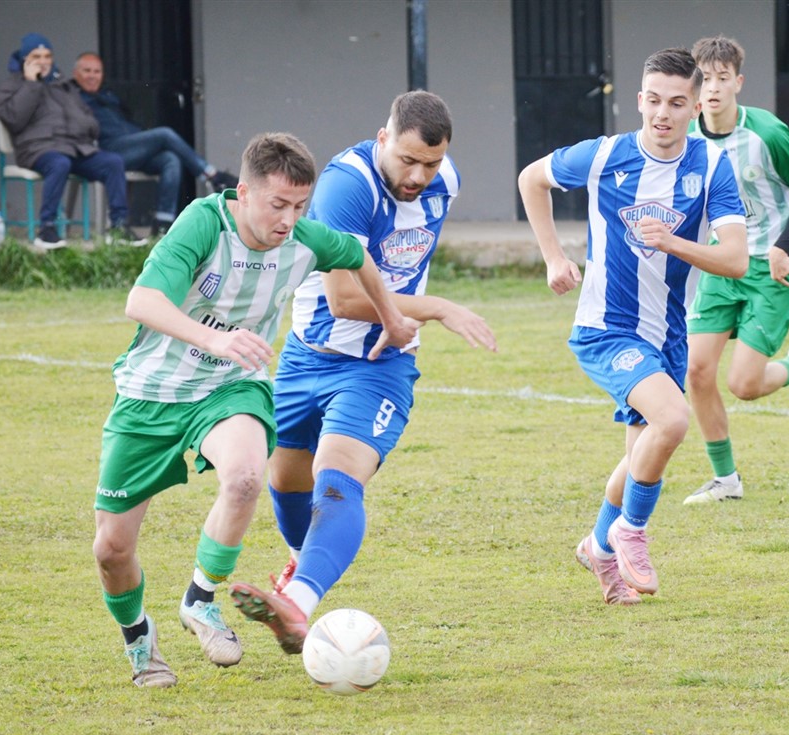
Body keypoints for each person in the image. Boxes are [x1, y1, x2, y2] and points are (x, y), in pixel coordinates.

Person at [91, 131, 419, 688]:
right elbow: (141, 301)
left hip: (230, 387)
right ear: (243, 193)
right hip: (152, 393)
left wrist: (390, 317)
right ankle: (139, 638)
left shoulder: (303, 239)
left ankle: (201, 599)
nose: (289, 220)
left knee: (245, 477)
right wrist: (215, 338)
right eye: (277, 204)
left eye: (300, 207)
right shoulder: (204, 224)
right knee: (111, 549)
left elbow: (356, 254)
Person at [228, 91, 497, 654]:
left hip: (378, 364)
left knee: (336, 478)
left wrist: (408, 317)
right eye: (407, 160)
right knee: (286, 482)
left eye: (431, 163)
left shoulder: (445, 180)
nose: (419, 176)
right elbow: (345, 299)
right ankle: (302, 570)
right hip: (307, 353)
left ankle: (298, 603)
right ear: (383, 138)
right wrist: (437, 307)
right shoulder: (346, 187)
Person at [517, 48, 748, 604]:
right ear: (639, 100)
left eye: (677, 103)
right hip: (606, 329)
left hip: (668, 335)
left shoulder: (712, 166)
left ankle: (599, 550)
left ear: (696, 108)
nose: (663, 113)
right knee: (672, 420)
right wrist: (553, 257)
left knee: (640, 455)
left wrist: (672, 242)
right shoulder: (604, 155)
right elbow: (531, 179)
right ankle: (630, 532)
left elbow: (736, 259)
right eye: (654, 101)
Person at [680, 36, 789, 506]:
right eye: (704, 78)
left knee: (743, 385)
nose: (713, 87)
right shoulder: (686, 138)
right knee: (696, 371)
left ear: (738, 83)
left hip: (772, 269)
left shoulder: (767, 132)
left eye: (722, 78)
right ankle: (725, 480)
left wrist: (784, 248)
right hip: (722, 264)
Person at [0, 33, 147, 249]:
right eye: (36, 56)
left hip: (74, 148)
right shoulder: (9, 88)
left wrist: (84, 128)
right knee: (59, 163)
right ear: (24, 59)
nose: (43, 61)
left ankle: (119, 227)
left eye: (47, 56)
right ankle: (46, 229)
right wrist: (31, 83)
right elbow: (15, 120)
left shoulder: (62, 86)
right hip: (38, 150)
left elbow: (88, 119)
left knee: (113, 162)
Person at [72, 53, 237, 236]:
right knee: (164, 134)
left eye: (97, 71)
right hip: (108, 150)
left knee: (170, 159)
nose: (92, 76)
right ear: (75, 73)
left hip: (132, 147)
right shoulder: (72, 98)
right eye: (87, 71)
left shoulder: (107, 95)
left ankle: (162, 223)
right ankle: (213, 175)